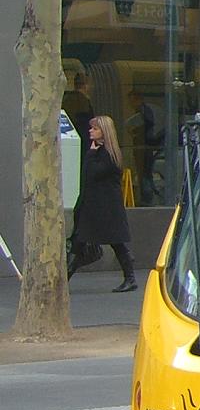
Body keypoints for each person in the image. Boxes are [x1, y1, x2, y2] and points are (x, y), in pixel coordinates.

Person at [70, 115, 137, 291]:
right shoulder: (98, 152)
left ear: (104, 132)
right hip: (93, 206)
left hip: (105, 207)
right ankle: (63, 280)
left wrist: (91, 154)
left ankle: (130, 278)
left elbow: (92, 173)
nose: (90, 130)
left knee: (115, 242)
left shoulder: (108, 155)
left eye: (95, 128)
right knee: (79, 242)